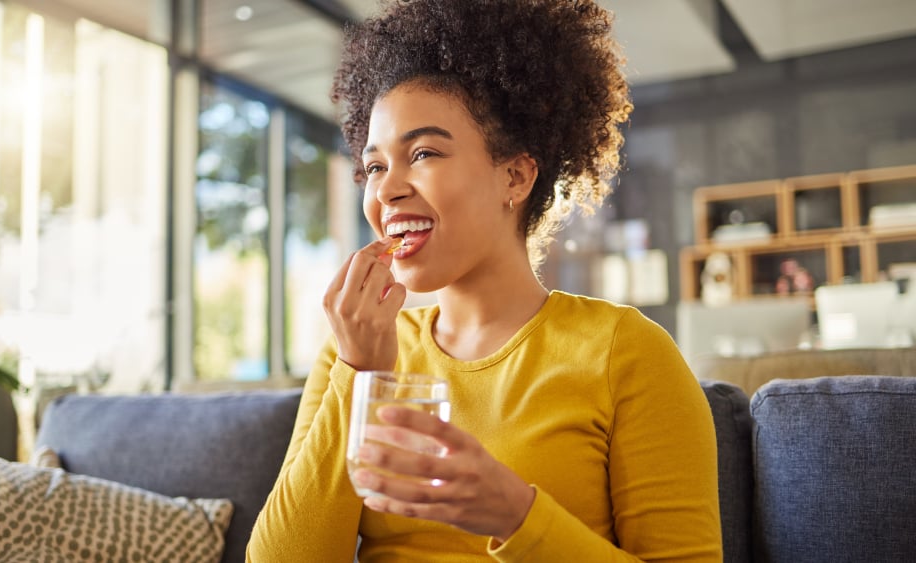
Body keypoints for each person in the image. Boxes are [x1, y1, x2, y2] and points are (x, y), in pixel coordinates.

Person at [248, 0, 722, 561]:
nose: (386, 189)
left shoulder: (625, 353)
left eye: (422, 152)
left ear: (515, 176)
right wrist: (360, 375)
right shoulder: (356, 351)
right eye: (374, 166)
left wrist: (514, 514)